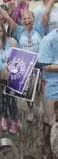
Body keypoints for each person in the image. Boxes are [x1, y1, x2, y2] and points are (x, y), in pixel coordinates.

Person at [38, 28, 58, 158]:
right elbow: (45, 66)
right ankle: (47, 152)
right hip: (53, 89)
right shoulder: (48, 40)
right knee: (49, 122)